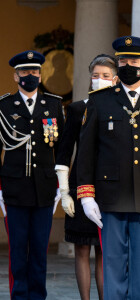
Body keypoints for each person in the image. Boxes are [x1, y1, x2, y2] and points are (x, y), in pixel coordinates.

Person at [0, 50, 64, 300]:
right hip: (14, 188)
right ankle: (19, 296)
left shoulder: (53, 104)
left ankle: (37, 296)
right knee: (18, 250)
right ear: (15, 76)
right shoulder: (3, 106)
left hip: (44, 188)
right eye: (24, 72)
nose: (30, 75)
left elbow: (62, 148)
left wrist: (61, 186)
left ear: (41, 75)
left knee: (40, 250)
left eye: (34, 71)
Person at [77, 35, 140, 299]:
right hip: (110, 196)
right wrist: (86, 195)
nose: (127, 65)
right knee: (113, 261)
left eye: (134, 60)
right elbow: (86, 153)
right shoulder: (101, 101)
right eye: (122, 60)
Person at [55, 54, 118, 300]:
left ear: (115, 79)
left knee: (104, 250)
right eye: (95, 76)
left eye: (104, 76)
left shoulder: (122, 109)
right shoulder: (78, 108)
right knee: (81, 248)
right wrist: (64, 192)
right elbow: (64, 151)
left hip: (109, 188)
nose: (99, 80)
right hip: (80, 185)